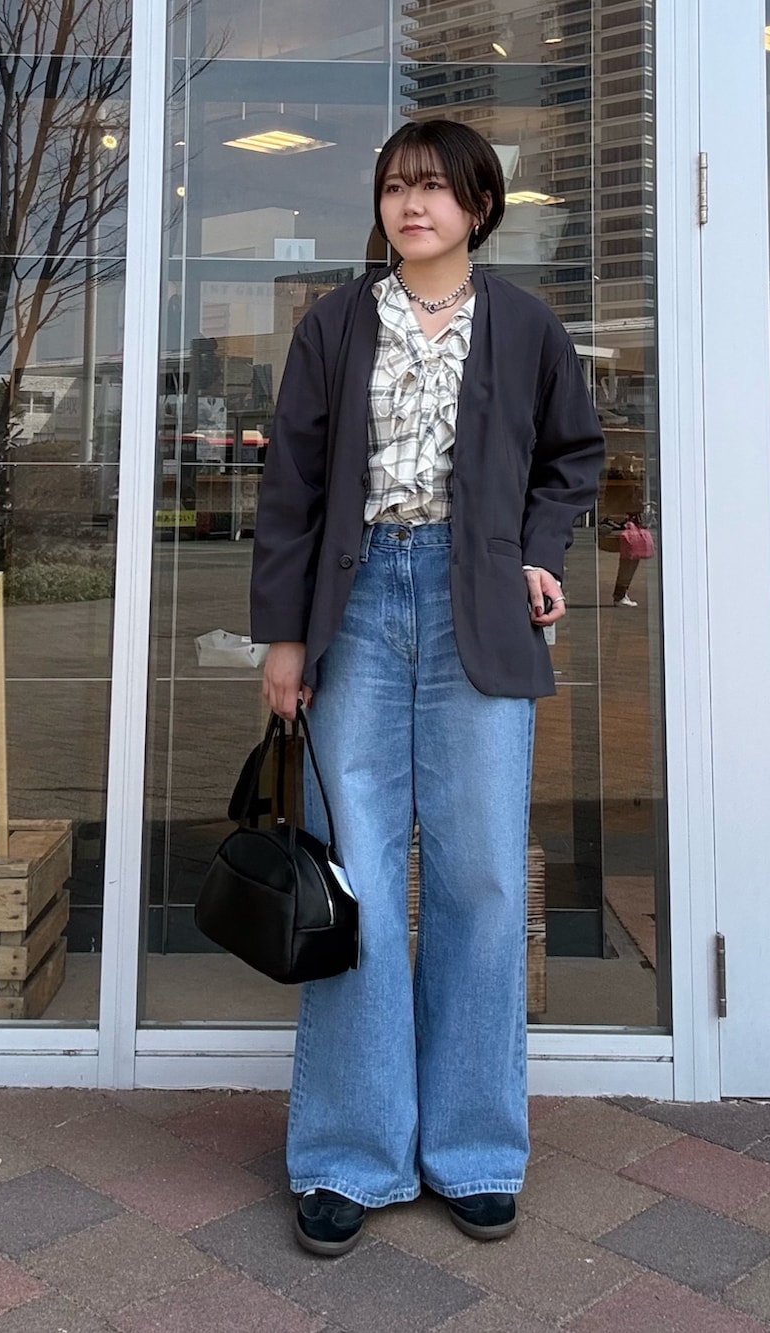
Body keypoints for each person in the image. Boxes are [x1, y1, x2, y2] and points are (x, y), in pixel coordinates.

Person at [249, 118, 605, 1258]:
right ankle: (350, 1155)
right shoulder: (334, 325)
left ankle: (475, 1149)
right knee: (354, 873)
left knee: (482, 877)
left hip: (476, 605)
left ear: (479, 208)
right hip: (355, 601)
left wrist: (538, 551)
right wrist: (284, 638)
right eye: (398, 186)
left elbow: (573, 459)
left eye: (437, 189)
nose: (414, 205)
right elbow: (292, 487)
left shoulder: (527, 325)